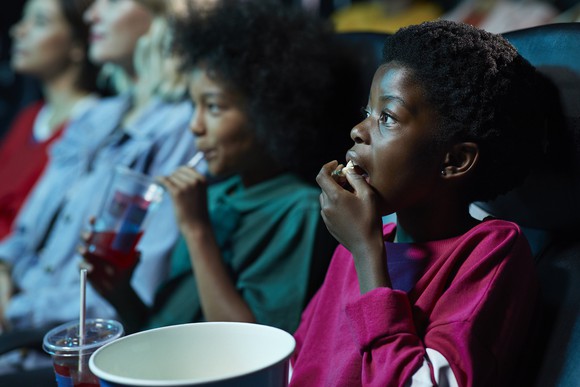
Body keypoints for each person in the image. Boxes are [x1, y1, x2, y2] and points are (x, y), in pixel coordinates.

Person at [290, 20, 546, 385]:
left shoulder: (491, 251)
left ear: (454, 161)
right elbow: (299, 365)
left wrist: (366, 252)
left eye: (387, 117)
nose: (358, 131)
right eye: (367, 113)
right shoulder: (356, 245)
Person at [83, 0, 358, 335]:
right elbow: (165, 335)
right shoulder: (211, 198)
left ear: (269, 112)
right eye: (193, 105)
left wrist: (198, 232)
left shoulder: (298, 211)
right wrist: (120, 292)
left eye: (213, 107)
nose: (195, 126)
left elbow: (249, 349)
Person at [0, 0, 196, 373]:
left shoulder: (180, 128)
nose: (91, 14)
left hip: (64, 354)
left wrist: (13, 308)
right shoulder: (94, 116)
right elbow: (22, 234)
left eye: (111, 2)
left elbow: (128, 290)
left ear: (162, 16)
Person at [0, 0, 100, 240]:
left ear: (77, 44)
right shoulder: (31, 116)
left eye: (40, 22)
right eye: (25, 19)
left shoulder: (93, 124)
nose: (19, 31)